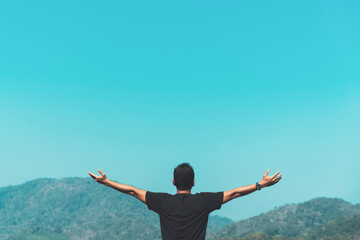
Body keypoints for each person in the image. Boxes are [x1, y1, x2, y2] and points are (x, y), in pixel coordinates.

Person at [88, 163, 282, 240]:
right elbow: (235, 193)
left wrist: (106, 182)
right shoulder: (204, 201)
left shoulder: (162, 201)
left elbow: (131, 191)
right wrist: (260, 185)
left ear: (173, 182)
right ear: (194, 182)